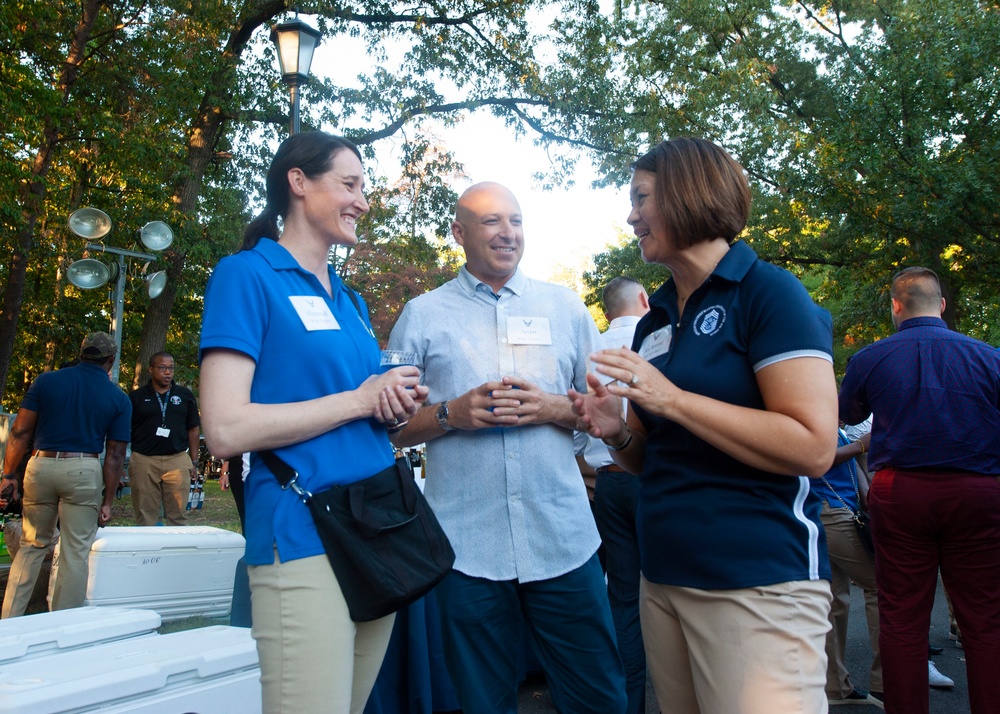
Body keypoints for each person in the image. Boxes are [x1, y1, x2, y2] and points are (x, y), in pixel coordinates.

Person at [571, 137, 838, 714]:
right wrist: (615, 431)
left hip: (757, 583)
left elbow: (814, 446)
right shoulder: (655, 321)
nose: (631, 215)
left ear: (689, 194)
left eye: (641, 197)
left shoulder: (770, 293)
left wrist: (674, 400)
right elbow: (647, 457)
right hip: (662, 578)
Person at [199, 131, 428, 714]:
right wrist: (359, 399)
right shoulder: (246, 275)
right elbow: (225, 429)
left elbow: (364, 410)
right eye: (349, 185)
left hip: (377, 527)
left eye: (364, 188)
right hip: (303, 534)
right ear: (298, 183)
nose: (363, 201)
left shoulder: (347, 299)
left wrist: (393, 406)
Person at [387, 182, 627, 714]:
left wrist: (550, 409)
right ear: (459, 233)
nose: (508, 233)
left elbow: (605, 414)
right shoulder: (422, 315)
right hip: (468, 547)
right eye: (491, 221)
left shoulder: (564, 307)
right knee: (482, 703)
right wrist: (452, 415)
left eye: (515, 220)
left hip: (562, 538)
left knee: (600, 697)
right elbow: (390, 427)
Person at [839, 266, 1000, 714]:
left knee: (903, 616)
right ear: (942, 305)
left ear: (895, 305)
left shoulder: (871, 358)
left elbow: (848, 415)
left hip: (902, 490)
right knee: (985, 618)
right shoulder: (990, 357)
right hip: (977, 490)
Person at [0, 333, 131, 617]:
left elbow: (20, 432)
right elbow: (115, 456)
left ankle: (8, 622)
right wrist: (108, 501)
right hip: (83, 469)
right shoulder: (118, 398)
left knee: (31, 545)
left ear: (81, 353)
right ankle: (61, 626)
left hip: (41, 464)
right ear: (110, 361)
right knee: (74, 552)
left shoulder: (46, 381)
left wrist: (8, 474)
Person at [575, 276, 650, 714]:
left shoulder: (592, 353)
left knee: (623, 597)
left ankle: (631, 703)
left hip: (607, 483)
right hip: (650, 478)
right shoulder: (658, 338)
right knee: (674, 591)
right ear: (643, 299)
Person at [811, 427, 881, 707]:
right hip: (831, 512)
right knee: (881, 587)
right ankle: (885, 685)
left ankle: (836, 687)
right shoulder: (815, 420)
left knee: (834, 599)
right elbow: (816, 459)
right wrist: (859, 447)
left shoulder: (833, 425)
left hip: (833, 510)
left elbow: (853, 470)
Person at [127, 352, 200, 526]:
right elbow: (126, 430)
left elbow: (193, 428)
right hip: (144, 459)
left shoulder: (185, 396)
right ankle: (149, 553)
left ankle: (175, 551)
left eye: (171, 368)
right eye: (162, 368)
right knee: (146, 516)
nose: (167, 372)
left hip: (177, 458)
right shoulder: (136, 397)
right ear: (151, 370)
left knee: (178, 516)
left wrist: (194, 462)